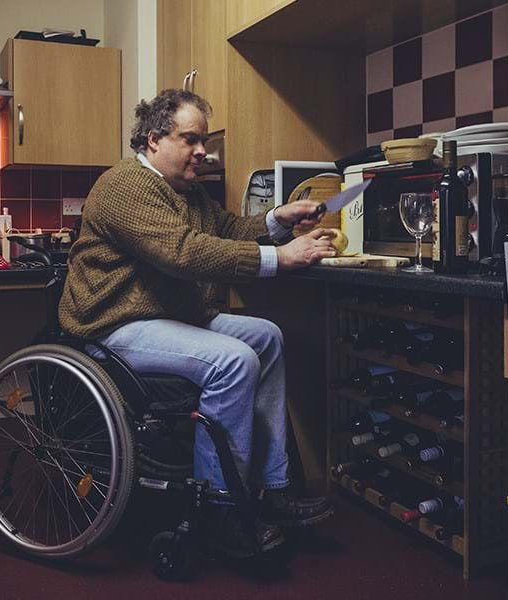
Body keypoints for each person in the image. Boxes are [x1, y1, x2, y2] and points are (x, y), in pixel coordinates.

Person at [58, 89, 338, 556]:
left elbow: (226, 231)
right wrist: (280, 258)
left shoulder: (187, 191)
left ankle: (271, 489)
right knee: (233, 360)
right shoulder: (125, 185)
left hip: (165, 319)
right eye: (190, 140)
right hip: (112, 326)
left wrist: (277, 219)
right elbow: (182, 251)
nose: (202, 151)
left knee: (266, 337)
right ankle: (221, 506)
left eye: (202, 141)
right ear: (152, 141)